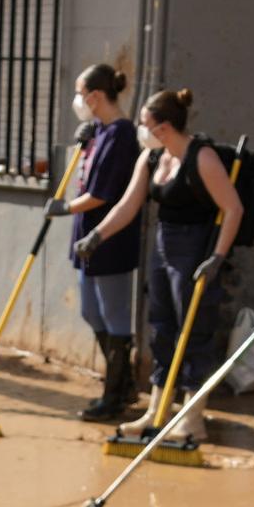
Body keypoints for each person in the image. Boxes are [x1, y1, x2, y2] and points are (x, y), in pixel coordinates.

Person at [78, 88, 242, 446]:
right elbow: (126, 205)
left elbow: (233, 208)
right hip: (163, 247)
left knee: (194, 332)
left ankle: (192, 419)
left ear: (165, 126)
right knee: (162, 329)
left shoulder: (203, 158)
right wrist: (96, 236)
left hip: (196, 249)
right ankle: (157, 411)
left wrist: (217, 257)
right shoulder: (152, 158)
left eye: (145, 124)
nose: (141, 129)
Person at [60, 61, 142, 423]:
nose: (77, 100)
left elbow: (103, 192)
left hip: (109, 238)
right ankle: (121, 383)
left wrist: (64, 207)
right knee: (91, 312)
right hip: (86, 238)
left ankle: (116, 394)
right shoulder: (98, 130)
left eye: (80, 94)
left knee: (115, 314)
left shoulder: (123, 134)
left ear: (94, 96)